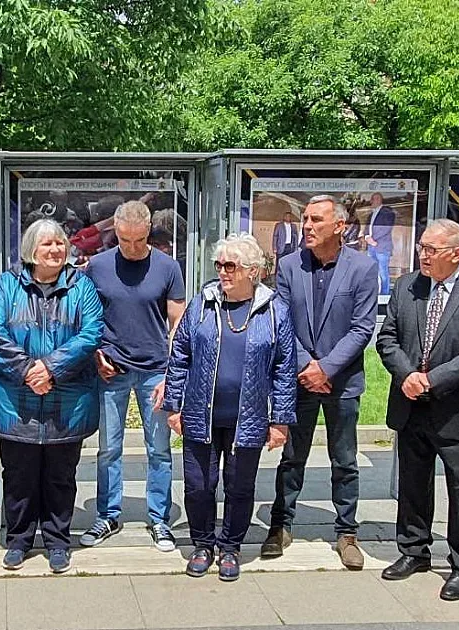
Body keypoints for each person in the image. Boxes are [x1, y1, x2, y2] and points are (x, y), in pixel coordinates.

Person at [375, 218, 459, 601]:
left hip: (458, 409)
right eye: (421, 247)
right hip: (410, 404)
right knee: (413, 484)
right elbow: (388, 338)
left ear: (456, 252)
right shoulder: (406, 288)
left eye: (430, 249)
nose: (423, 255)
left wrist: (432, 379)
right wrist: (408, 375)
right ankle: (413, 551)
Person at [162, 233, 297, 582]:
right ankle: (203, 545)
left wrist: (280, 419)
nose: (222, 272)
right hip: (200, 416)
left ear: (252, 271)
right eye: (219, 265)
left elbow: (284, 368)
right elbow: (180, 357)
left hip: (247, 419)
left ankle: (231, 547)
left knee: (239, 487)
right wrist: (174, 405)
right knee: (198, 485)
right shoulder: (202, 304)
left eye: (230, 266)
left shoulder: (275, 310)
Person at [0, 218, 103, 573]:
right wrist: (28, 372)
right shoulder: (7, 285)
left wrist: (49, 368)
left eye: (60, 243)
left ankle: (57, 540)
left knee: (60, 476)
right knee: (18, 475)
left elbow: (91, 332)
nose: (55, 250)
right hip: (15, 400)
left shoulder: (82, 287)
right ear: (30, 250)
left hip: (68, 399)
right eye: (46, 244)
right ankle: (18, 539)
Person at [265, 195, 378, 569]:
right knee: (291, 456)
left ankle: (346, 532)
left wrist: (326, 368)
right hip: (298, 380)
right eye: (306, 220)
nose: (307, 226)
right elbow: (281, 321)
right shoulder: (288, 265)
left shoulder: (362, 268)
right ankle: (281, 525)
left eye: (316, 220)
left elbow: (363, 327)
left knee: (344, 459)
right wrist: (306, 368)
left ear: (339, 226)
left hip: (341, 382)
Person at [79, 201, 185, 552]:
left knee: (159, 449)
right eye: (125, 240)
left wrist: (173, 371)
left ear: (149, 231)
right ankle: (108, 515)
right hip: (112, 369)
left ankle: (159, 519)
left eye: (139, 240)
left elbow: (178, 322)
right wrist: (95, 355)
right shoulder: (98, 266)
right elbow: (85, 318)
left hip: (155, 369)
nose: (132, 248)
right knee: (109, 448)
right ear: (116, 233)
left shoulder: (168, 267)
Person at [364, 192, 396, 295]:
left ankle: (384, 295)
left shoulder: (388, 213)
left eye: (372, 199)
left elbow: (386, 228)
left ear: (378, 200)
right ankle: (374, 293)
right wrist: (367, 237)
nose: (371, 202)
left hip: (382, 247)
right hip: (371, 247)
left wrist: (373, 239)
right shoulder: (372, 214)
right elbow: (366, 228)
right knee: (372, 272)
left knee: (383, 272)